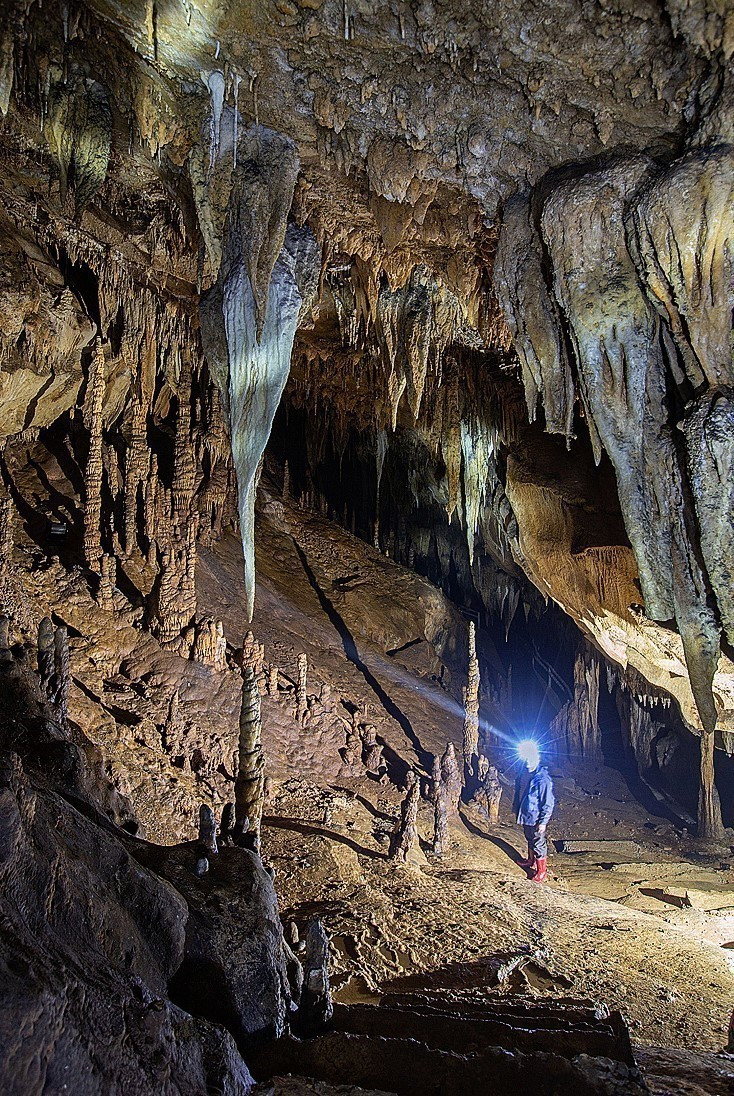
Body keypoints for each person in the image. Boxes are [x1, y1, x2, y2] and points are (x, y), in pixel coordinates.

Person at [513, 740, 555, 882]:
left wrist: (543, 822)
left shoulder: (543, 780)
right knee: (529, 839)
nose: (527, 761)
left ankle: (542, 871)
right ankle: (530, 861)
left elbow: (548, 803)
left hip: (536, 817)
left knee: (538, 842)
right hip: (526, 814)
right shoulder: (524, 772)